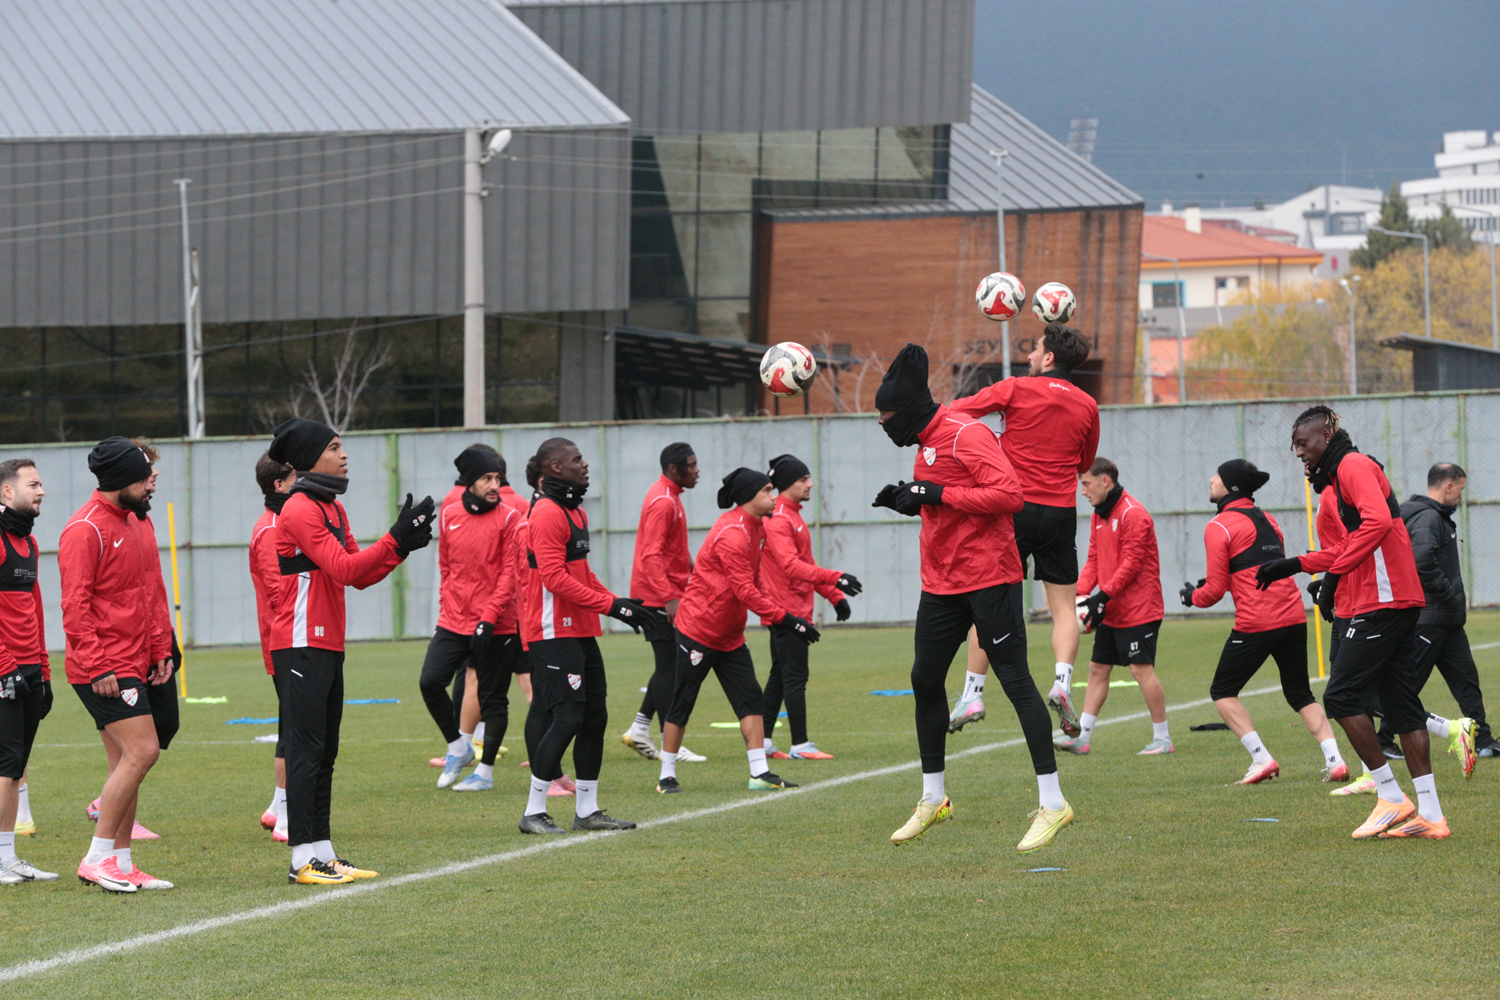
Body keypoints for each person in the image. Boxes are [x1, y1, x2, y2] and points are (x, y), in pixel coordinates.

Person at [871, 344, 1071, 852]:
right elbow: (942, 500)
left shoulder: (967, 432)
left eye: (886, 416)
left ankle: (1053, 803)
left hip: (989, 578)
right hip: (940, 582)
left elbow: (1009, 496)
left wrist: (936, 495)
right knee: (924, 678)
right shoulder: (923, 444)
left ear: (912, 410)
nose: (882, 424)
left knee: (1016, 682)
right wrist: (908, 499)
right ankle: (933, 797)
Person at [1256, 406, 1466, 839]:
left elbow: (1374, 525)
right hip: (1392, 598)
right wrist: (1297, 564)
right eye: (1295, 445)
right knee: (1402, 708)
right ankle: (1431, 815)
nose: (1298, 452)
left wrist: (1331, 578)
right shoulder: (1341, 473)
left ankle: (1389, 796)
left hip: (1383, 600)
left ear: (1327, 433)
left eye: (1303, 442)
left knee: (1342, 696)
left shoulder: (1352, 465)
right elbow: (1354, 541)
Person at [268, 418, 434, 883]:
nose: (345, 455)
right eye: (335, 447)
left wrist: (402, 547)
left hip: (325, 642)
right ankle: (302, 858)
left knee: (325, 751)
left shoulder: (331, 508)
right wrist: (396, 536)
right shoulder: (300, 507)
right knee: (306, 751)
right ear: (310, 456)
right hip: (299, 642)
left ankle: (323, 849)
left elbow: (360, 575)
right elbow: (342, 568)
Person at [947, 323, 1099, 736]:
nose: (1030, 355)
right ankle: (1063, 683)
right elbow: (1085, 461)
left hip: (1010, 509)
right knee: (1064, 608)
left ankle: (972, 694)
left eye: (1035, 349)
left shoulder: (1015, 388)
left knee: (989, 603)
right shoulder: (1088, 404)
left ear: (1049, 357)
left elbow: (956, 411)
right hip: (1058, 513)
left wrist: (988, 440)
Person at [518, 437, 663, 834]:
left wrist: (620, 603)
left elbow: (580, 573)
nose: (585, 465)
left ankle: (587, 811)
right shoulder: (546, 513)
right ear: (556, 468)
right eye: (577, 459)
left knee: (594, 716)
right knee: (566, 716)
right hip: (551, 631)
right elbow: (554, 579)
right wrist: (612, 607)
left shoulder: (575, 511)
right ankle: (533, 811)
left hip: (580, 628)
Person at [1182, 459, 1350, 784]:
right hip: (1292, 616)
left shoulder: (1218, 526)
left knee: (1222, 691)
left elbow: (1215, 591)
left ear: (1229, 487)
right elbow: (1251, 565)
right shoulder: (1269, 519)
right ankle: (1336, 761)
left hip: (1256, 622)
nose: (1211, 478)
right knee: (1301, 694)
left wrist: (1193, 597)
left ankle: (1261, 759)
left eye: (1217, 475)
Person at [59, 437, 176, 892]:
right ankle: (97, 858)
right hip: (103, 666)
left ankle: (122, 863)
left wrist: (159, 649)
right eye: (144, 477)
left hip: (134, 659)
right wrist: (98, 665)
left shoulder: (134, 522)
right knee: (143, 751)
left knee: (127, 762)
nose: (152, 483)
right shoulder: (84, 529)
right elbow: (74, 606)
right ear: (119, 481)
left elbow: (149, 591)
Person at [656, 469, 815, 795]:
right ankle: (666, 775)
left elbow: (754, 583)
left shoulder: (757, 527)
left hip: (730, 635)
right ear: (749, 497)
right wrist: (786, 618)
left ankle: (759, 772)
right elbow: (744, 590)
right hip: (698, 630)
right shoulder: (732, 532)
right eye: (768, 490)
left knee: (750, 700)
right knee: (683, 701)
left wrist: (783, 614)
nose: (774, 496)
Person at [425, 445, 523, 792]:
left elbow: (511, 573)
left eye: (497, 478)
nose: (495, 485)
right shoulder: (449, 513)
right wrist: (445, 609)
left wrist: (489, 617)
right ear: (469, 481)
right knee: (430, 681)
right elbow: (446, 567)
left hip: (497, 624)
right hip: (454, 620)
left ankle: (485, 772)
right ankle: (457, 747)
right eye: (486, 478)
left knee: (494, 699)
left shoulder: (511, 517)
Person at [1060, 458, 1171, 756]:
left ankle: (1163, 738)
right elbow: (1094, 559)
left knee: (1140, 669)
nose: (1082, 491)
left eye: (1086, 484)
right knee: (1097, 669)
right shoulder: (1100, 514)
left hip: (1140, 608)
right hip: (1112, 607)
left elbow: (1132, 564)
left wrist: (1101, 597)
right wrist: (1080, 596)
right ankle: (1081, 737)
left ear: (1104, 481)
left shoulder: (1134, 514)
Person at [1385, 463, 1493, 758]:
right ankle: (1383, 740)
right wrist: (1448, 595)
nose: (1461, 496)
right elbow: (1422, 561)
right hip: (1429, 618)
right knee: (1408, 683)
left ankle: (1482, 738)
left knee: (1467, 680)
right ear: (1448, 486)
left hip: (1447, 619)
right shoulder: (1428, 517)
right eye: (1460, 490)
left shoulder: (1433, 516)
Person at [759, 453, 861, 760]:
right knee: (794, 676)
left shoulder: (793, 515)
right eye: (803, 479)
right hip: (786, 611)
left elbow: (806, 565)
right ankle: (800, 745)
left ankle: (763, 742)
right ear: (788, 483)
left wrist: (834, 596)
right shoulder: (779, 519)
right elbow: (791, 567)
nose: (810, 484)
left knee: (780, 675)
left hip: (791, 608)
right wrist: (836, 578)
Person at [620, 442, 706, 764]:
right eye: (692, 465)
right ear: (674, 469)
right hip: (658, 598)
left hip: (666, 594)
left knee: (671, 666)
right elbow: (651, 554)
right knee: (672, 667)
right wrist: (669, 597)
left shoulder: (671, 497)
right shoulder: (663, 501)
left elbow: (672, 550)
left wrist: (695, 572)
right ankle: (669, 740)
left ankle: (641, 728)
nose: (698, 470)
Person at [0, 458, 58, 884]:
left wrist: (44, 670)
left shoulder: (31, 544)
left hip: (29, 672)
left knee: (17, 768)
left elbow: (34, 610)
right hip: (4, 672)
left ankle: (9, 857)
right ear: (6, 493)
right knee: (5, 766)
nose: (41, 491)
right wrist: (5, 667)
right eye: (33, 484)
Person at [250, 453, 296, 842]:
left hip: (294, 638)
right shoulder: (271, 529)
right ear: (279, 484)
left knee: (292, 723)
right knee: (296, 729)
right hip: (289, 641)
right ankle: (285, 818)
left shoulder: (285, 522)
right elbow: (279, 592)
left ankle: (277, 807)